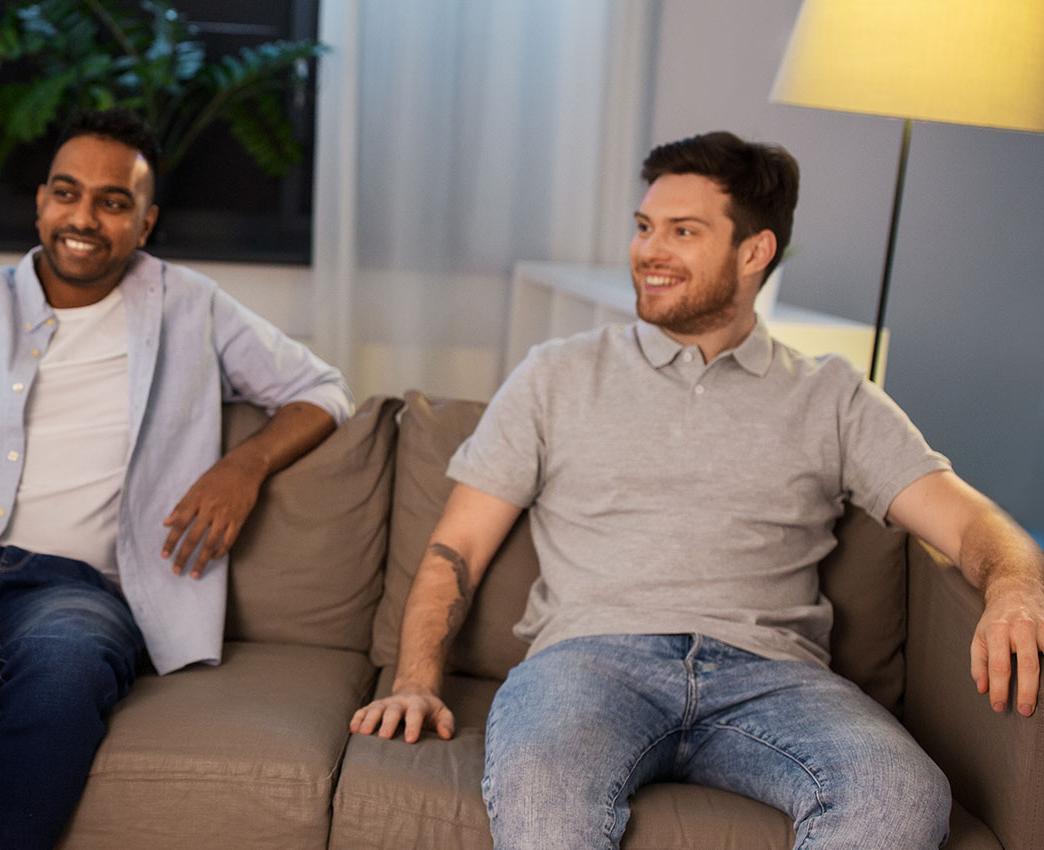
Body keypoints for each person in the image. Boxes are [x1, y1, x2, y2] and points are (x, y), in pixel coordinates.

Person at [350, 131, 1044, 848]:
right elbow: (457, 545)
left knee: (902, 794)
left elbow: (972, 523)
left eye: (682, 232)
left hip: (774, 679)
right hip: (588, 664)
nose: (648, 251)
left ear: (754, 252)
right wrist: (414, 680)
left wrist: (1015, 588)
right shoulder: (556, 374)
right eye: (644, 226)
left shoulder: (834, 396)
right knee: (542, 791)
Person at [0, 109, 353, 849]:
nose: (83, 218)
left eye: (113, 202)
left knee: (64, 679)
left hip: (75, 589)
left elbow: (322, 390)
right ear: (42, 201)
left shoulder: (192, 306)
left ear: (145, 224)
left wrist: (244, 466)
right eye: (66, 192)